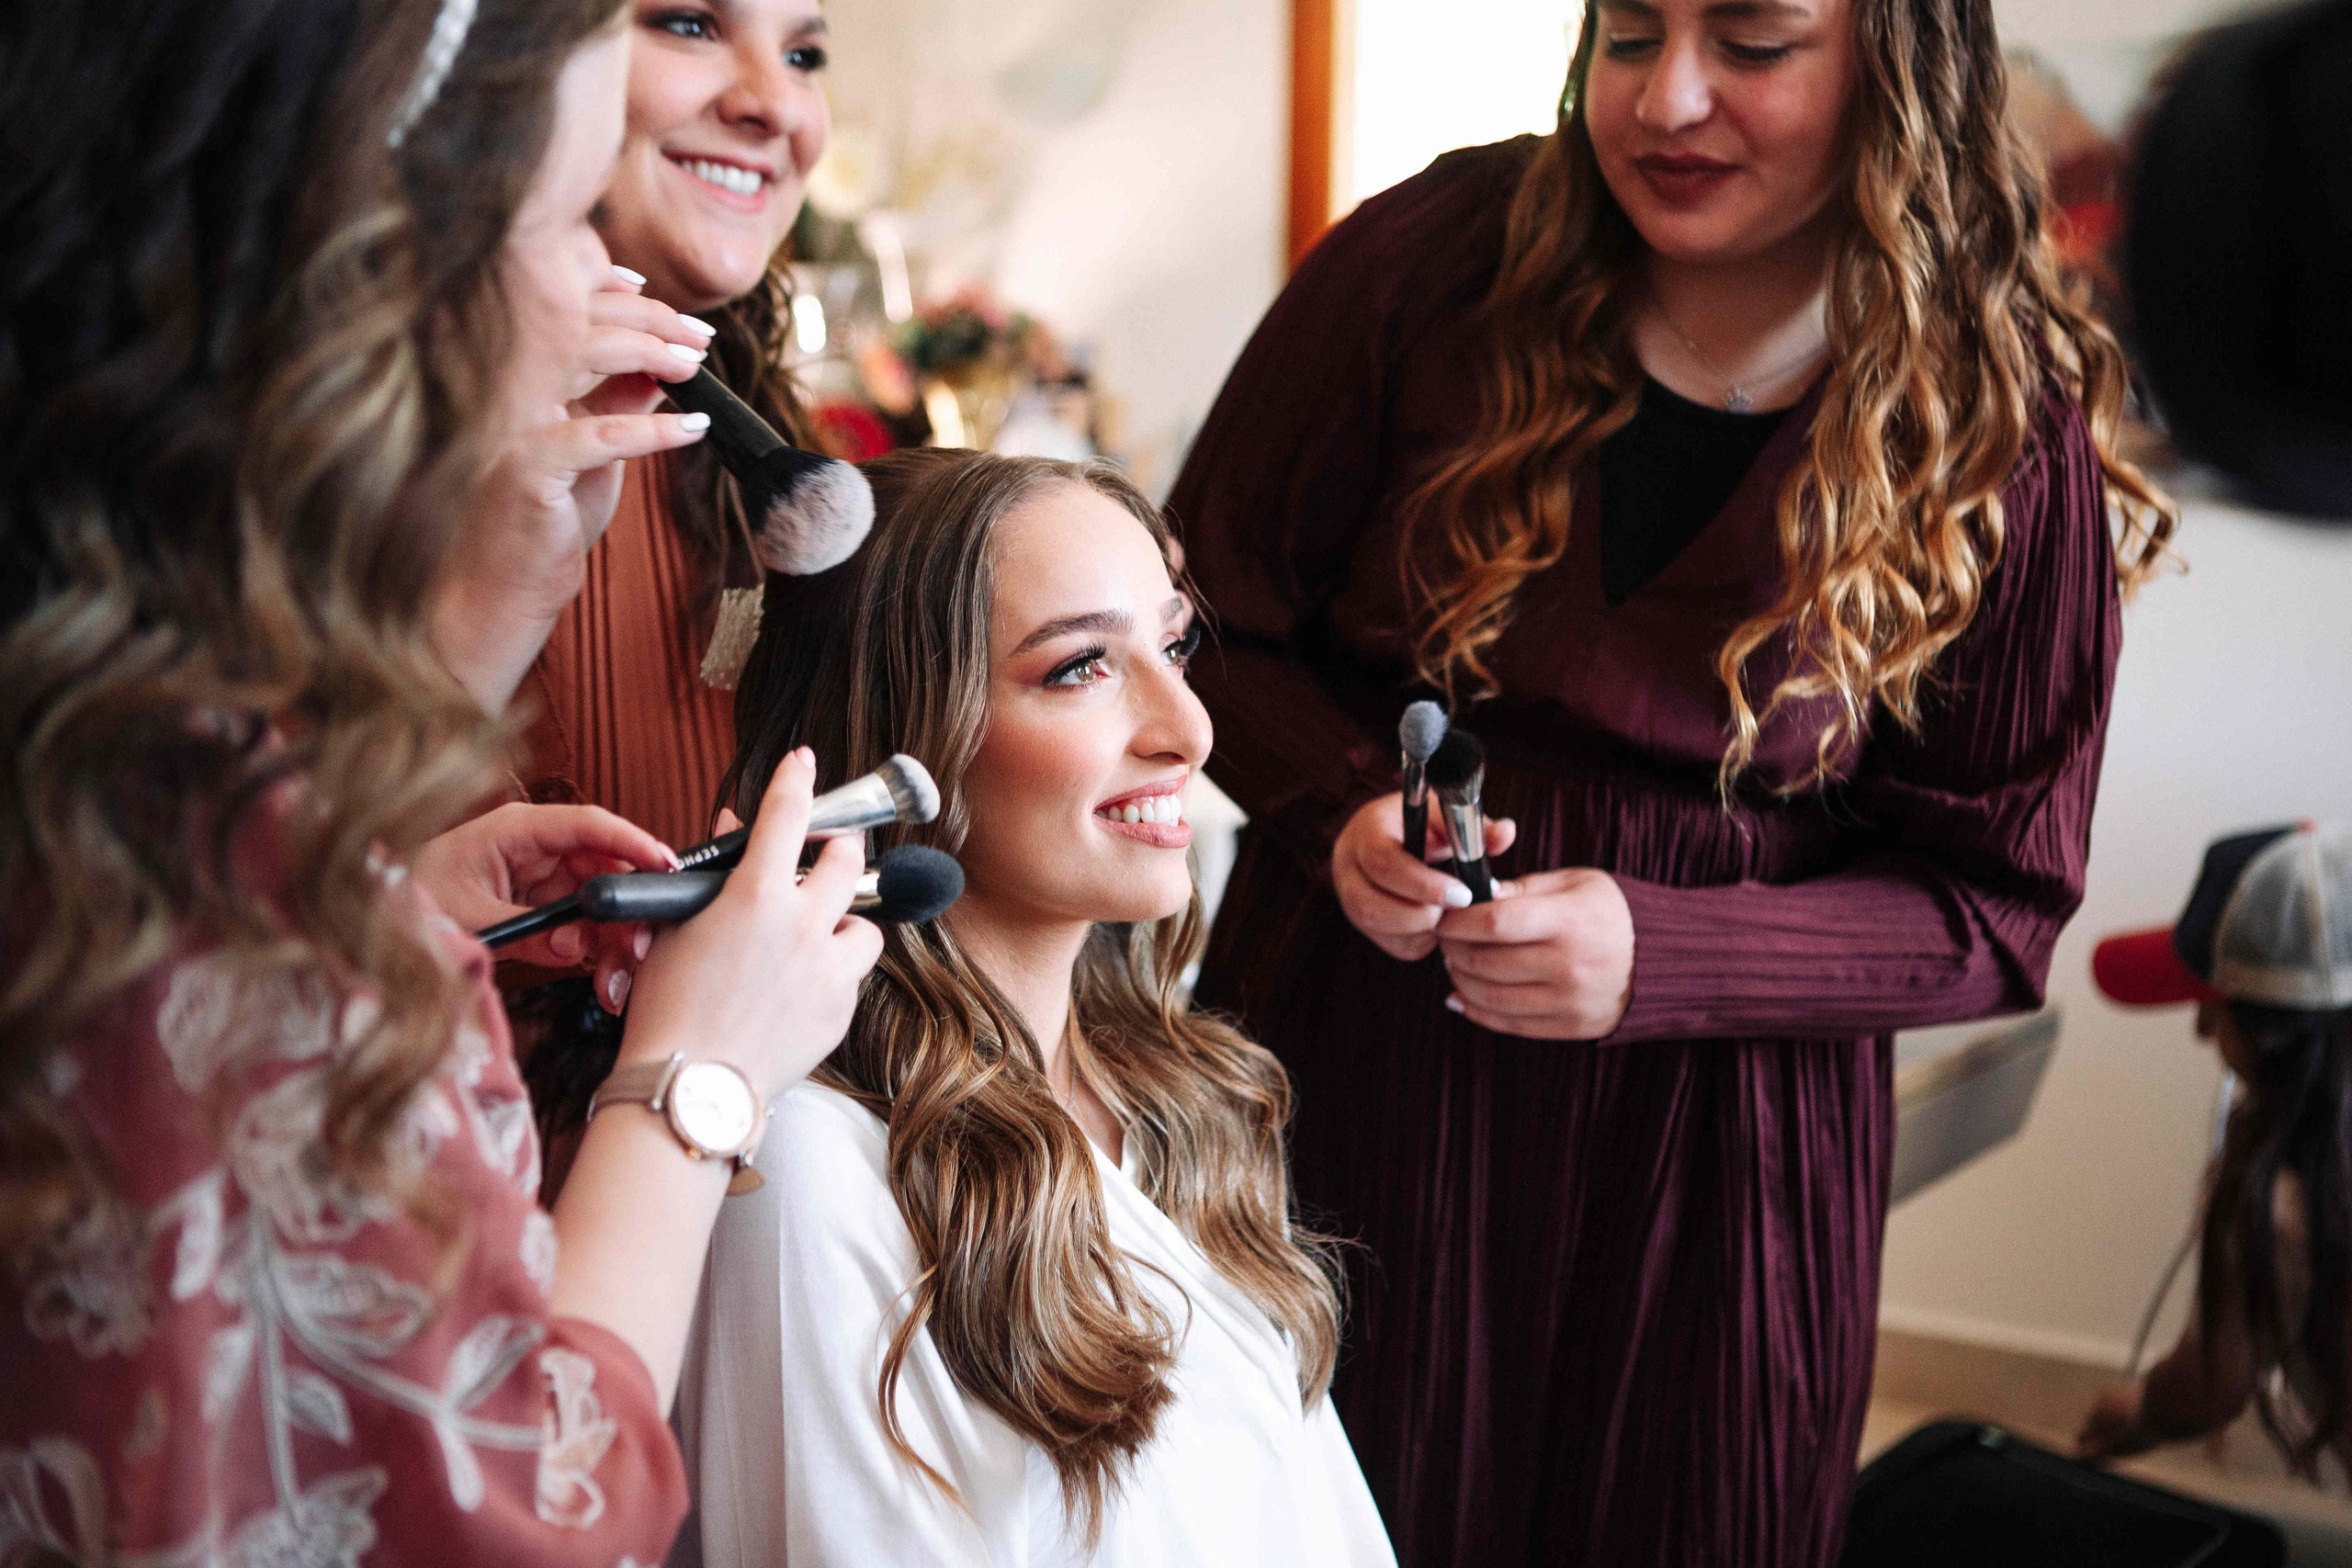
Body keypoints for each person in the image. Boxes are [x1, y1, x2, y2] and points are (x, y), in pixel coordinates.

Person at [1166, 0, 2177, 1561]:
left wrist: (1673, 952)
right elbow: (1207, 616)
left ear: (1900, 75)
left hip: (1726, 1166)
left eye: (1754, 43)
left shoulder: (1998, 415)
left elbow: (1995, 904)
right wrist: (1345, 806)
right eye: (1629, 33)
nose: (1664, 98)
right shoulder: (1431, 262)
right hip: (1352, 1071)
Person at [0, 0, 878, 1558]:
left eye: (808, 49)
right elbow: (519, 1511)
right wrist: (698, 1075)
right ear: (358, 278)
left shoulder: (119, 776)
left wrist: (386, 893)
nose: (590, 274)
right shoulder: (227, 897)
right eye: (561, 217)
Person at [666, 449, 1395, 1567]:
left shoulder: (1161, 1096)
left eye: (1173, 645)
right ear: (903, 735)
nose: (1188, 729)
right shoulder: (807, 1173)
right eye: (1080, 669)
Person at [499, 0, 837, 1162]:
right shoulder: (362, 437)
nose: (775, 103)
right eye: (689, 24)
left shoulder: (770, 457)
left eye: (804, 53)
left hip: (722, 1181)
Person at [2080, 824, 2352, 1479]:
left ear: (2266, 1033)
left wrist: (2140, 1408)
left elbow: (2212, 1381)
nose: (2201, 1028)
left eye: (2216, 1005)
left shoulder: (2280, 1198)